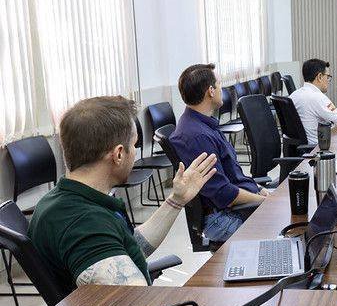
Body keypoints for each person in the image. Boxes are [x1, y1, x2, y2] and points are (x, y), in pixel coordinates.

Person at [29, 97, 217, 288]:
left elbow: (128, 247)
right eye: (134, 145)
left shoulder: (62, 202)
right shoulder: (84, 224)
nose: (134, 152)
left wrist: (177, 200)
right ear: (119, 154)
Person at [170, 64, 269, 242]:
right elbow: (225, 194)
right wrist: (264, 203)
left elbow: (232, 176)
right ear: (211, 91)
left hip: (234, 208)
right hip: (223, 218)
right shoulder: (198, 137)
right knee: (286, 227)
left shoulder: (203, 125)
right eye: (220, 84)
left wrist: (259, 190)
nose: (221, 89)